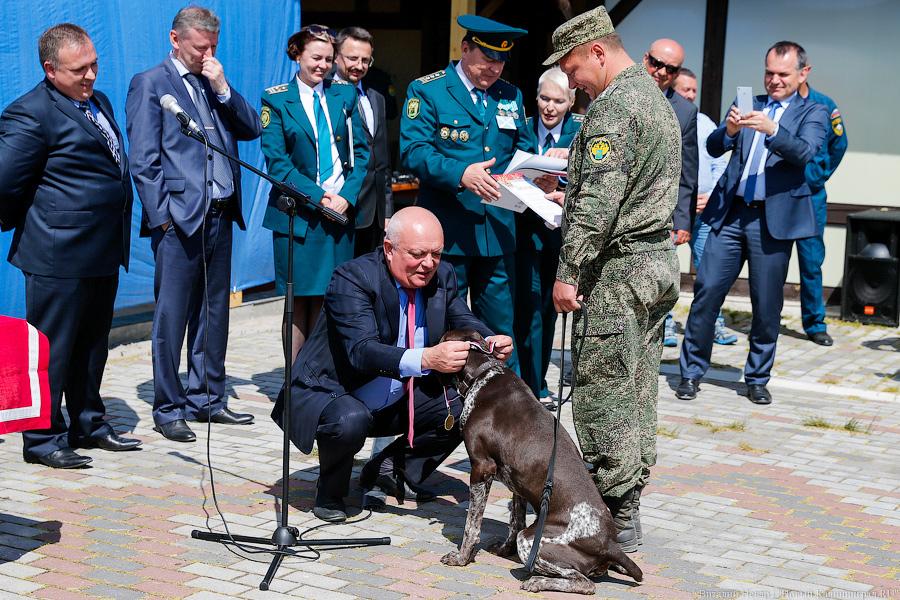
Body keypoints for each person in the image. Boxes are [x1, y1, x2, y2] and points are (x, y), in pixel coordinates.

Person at [272, 207, 513, 523]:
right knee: (349, 420)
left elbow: (461, 317)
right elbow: (361, 351)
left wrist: (487, 338)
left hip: (398, 393)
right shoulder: (353, 277)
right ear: (389, 249)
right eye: (417, 254)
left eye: (435, 254)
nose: (428, 264)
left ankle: (392, 469)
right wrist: (426, 358)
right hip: (336, 390)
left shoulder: (443, 275)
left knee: (467, 406)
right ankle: (330, 491)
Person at [545, 6, 681, 552]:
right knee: (638, 388)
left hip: (618, 271)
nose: (572, 80)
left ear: (598, 52)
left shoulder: (612, 109)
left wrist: (567, 272)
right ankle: (627, 505)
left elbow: (600, 208)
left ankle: (610, 518)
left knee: (603, 393)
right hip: (653, 263)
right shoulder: (655, 100)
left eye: (574, 67)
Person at [0, 24, 140, 468]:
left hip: (100, 250)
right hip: (57, 254)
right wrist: (41, 223)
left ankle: (89, 422)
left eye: (95, 64)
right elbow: (5, 183)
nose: (91, 76)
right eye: (80, 69)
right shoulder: (30, 113)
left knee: (92, 345)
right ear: (50, 69)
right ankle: (42, 439)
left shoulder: (97, 102)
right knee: (51, 350)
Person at [127, 6, 261, 443]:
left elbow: (250, 127)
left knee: (213, 311)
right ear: (175, 38)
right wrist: (162, 219)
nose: (206, 55)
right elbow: (144, 161)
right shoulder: (151, 84)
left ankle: (207, 398)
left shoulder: (212, 80)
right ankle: (168, 407)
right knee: (172, 317)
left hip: (221, 213)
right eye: (199, 47)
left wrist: (222, 86)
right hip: (179, 220)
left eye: (213, 47)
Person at [676, 41, 829, 406]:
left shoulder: (815, 111)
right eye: (769, 73)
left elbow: (805, 153)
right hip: (731, 213)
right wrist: (729, 131)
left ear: (803, 74)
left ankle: (757, 377)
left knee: (766, 304)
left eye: (783, 74)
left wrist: (773, 130)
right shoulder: (751, 103)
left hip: (772, 220)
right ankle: (691, 372)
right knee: (707, 291)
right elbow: (713, 148)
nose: (774, 81)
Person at [400, 15, 535, 376]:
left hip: (497, 231)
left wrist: (540, 178)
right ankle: (433, 408)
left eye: (501, 60)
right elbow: (413, 150)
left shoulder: (511, 94)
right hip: (448, 234)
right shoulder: (428, 90)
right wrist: (461, 173)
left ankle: (511, 412)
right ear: (465, 49)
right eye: (487, 58)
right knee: (440, 326)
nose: (494, 68)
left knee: (500, 332)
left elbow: (524, 148)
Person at [260, 25, 370, 362]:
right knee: (298, 302)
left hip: (339, 214)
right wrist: (319, 198)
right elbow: (278, 163)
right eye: (315, 58)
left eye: (327, 58)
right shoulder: (276, 98)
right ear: (297, 55)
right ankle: (294, 383)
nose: (322, 65)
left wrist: (346, 197)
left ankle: (321, 374)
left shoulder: (345, 95)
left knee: (330, 299)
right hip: (300, 215)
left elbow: (361, 154)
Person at [514, 67, 582, 403]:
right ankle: (524, 382)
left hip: (560, 235)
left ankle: (538, 383)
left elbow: (595, 179)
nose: (550, 107)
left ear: (571, 101)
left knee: (547, 309)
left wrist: (563, 181)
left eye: (558, 100)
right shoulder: (520, 127)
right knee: (523, 309)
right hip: (522, 232)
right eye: (544, 98)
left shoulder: (582, 131)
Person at [642, 39, 699, 348]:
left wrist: (684, 221)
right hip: (617, 214)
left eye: (670, 69)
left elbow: (688, 173)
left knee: (653, 290)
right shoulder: (618, 93)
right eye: (655, 63)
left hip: (659, 219)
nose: (660, 71)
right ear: (645, 58)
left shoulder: (686, 112)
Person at [672, 67, 736, 345]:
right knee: (666, 272)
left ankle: (714, 324)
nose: (691, 95)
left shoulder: (706, 123)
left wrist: (710, 195)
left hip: (704, 210)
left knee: (710, 272)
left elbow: (720, 162)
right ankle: (664, 326)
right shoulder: (664, 119)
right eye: (685, 90)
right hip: (673, 212)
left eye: (694, 91)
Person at [796, 75, 848, 347]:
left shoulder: (825, 105)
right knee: (769, 263)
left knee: (811, 261)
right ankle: (765, 317)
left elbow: (839, 145)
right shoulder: (776, 104)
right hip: (778, 195)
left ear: (804, 72)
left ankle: (815, 323)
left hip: (810, 196)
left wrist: (818, 175)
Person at [333, 26, 394, 257]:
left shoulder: (376, 97)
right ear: (337, 56)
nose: (359, 65)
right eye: (352, 58)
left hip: (376, 215)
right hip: (344, 207)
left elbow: (383, 160)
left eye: (365, 60)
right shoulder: (325, 95)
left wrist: (387, 211)